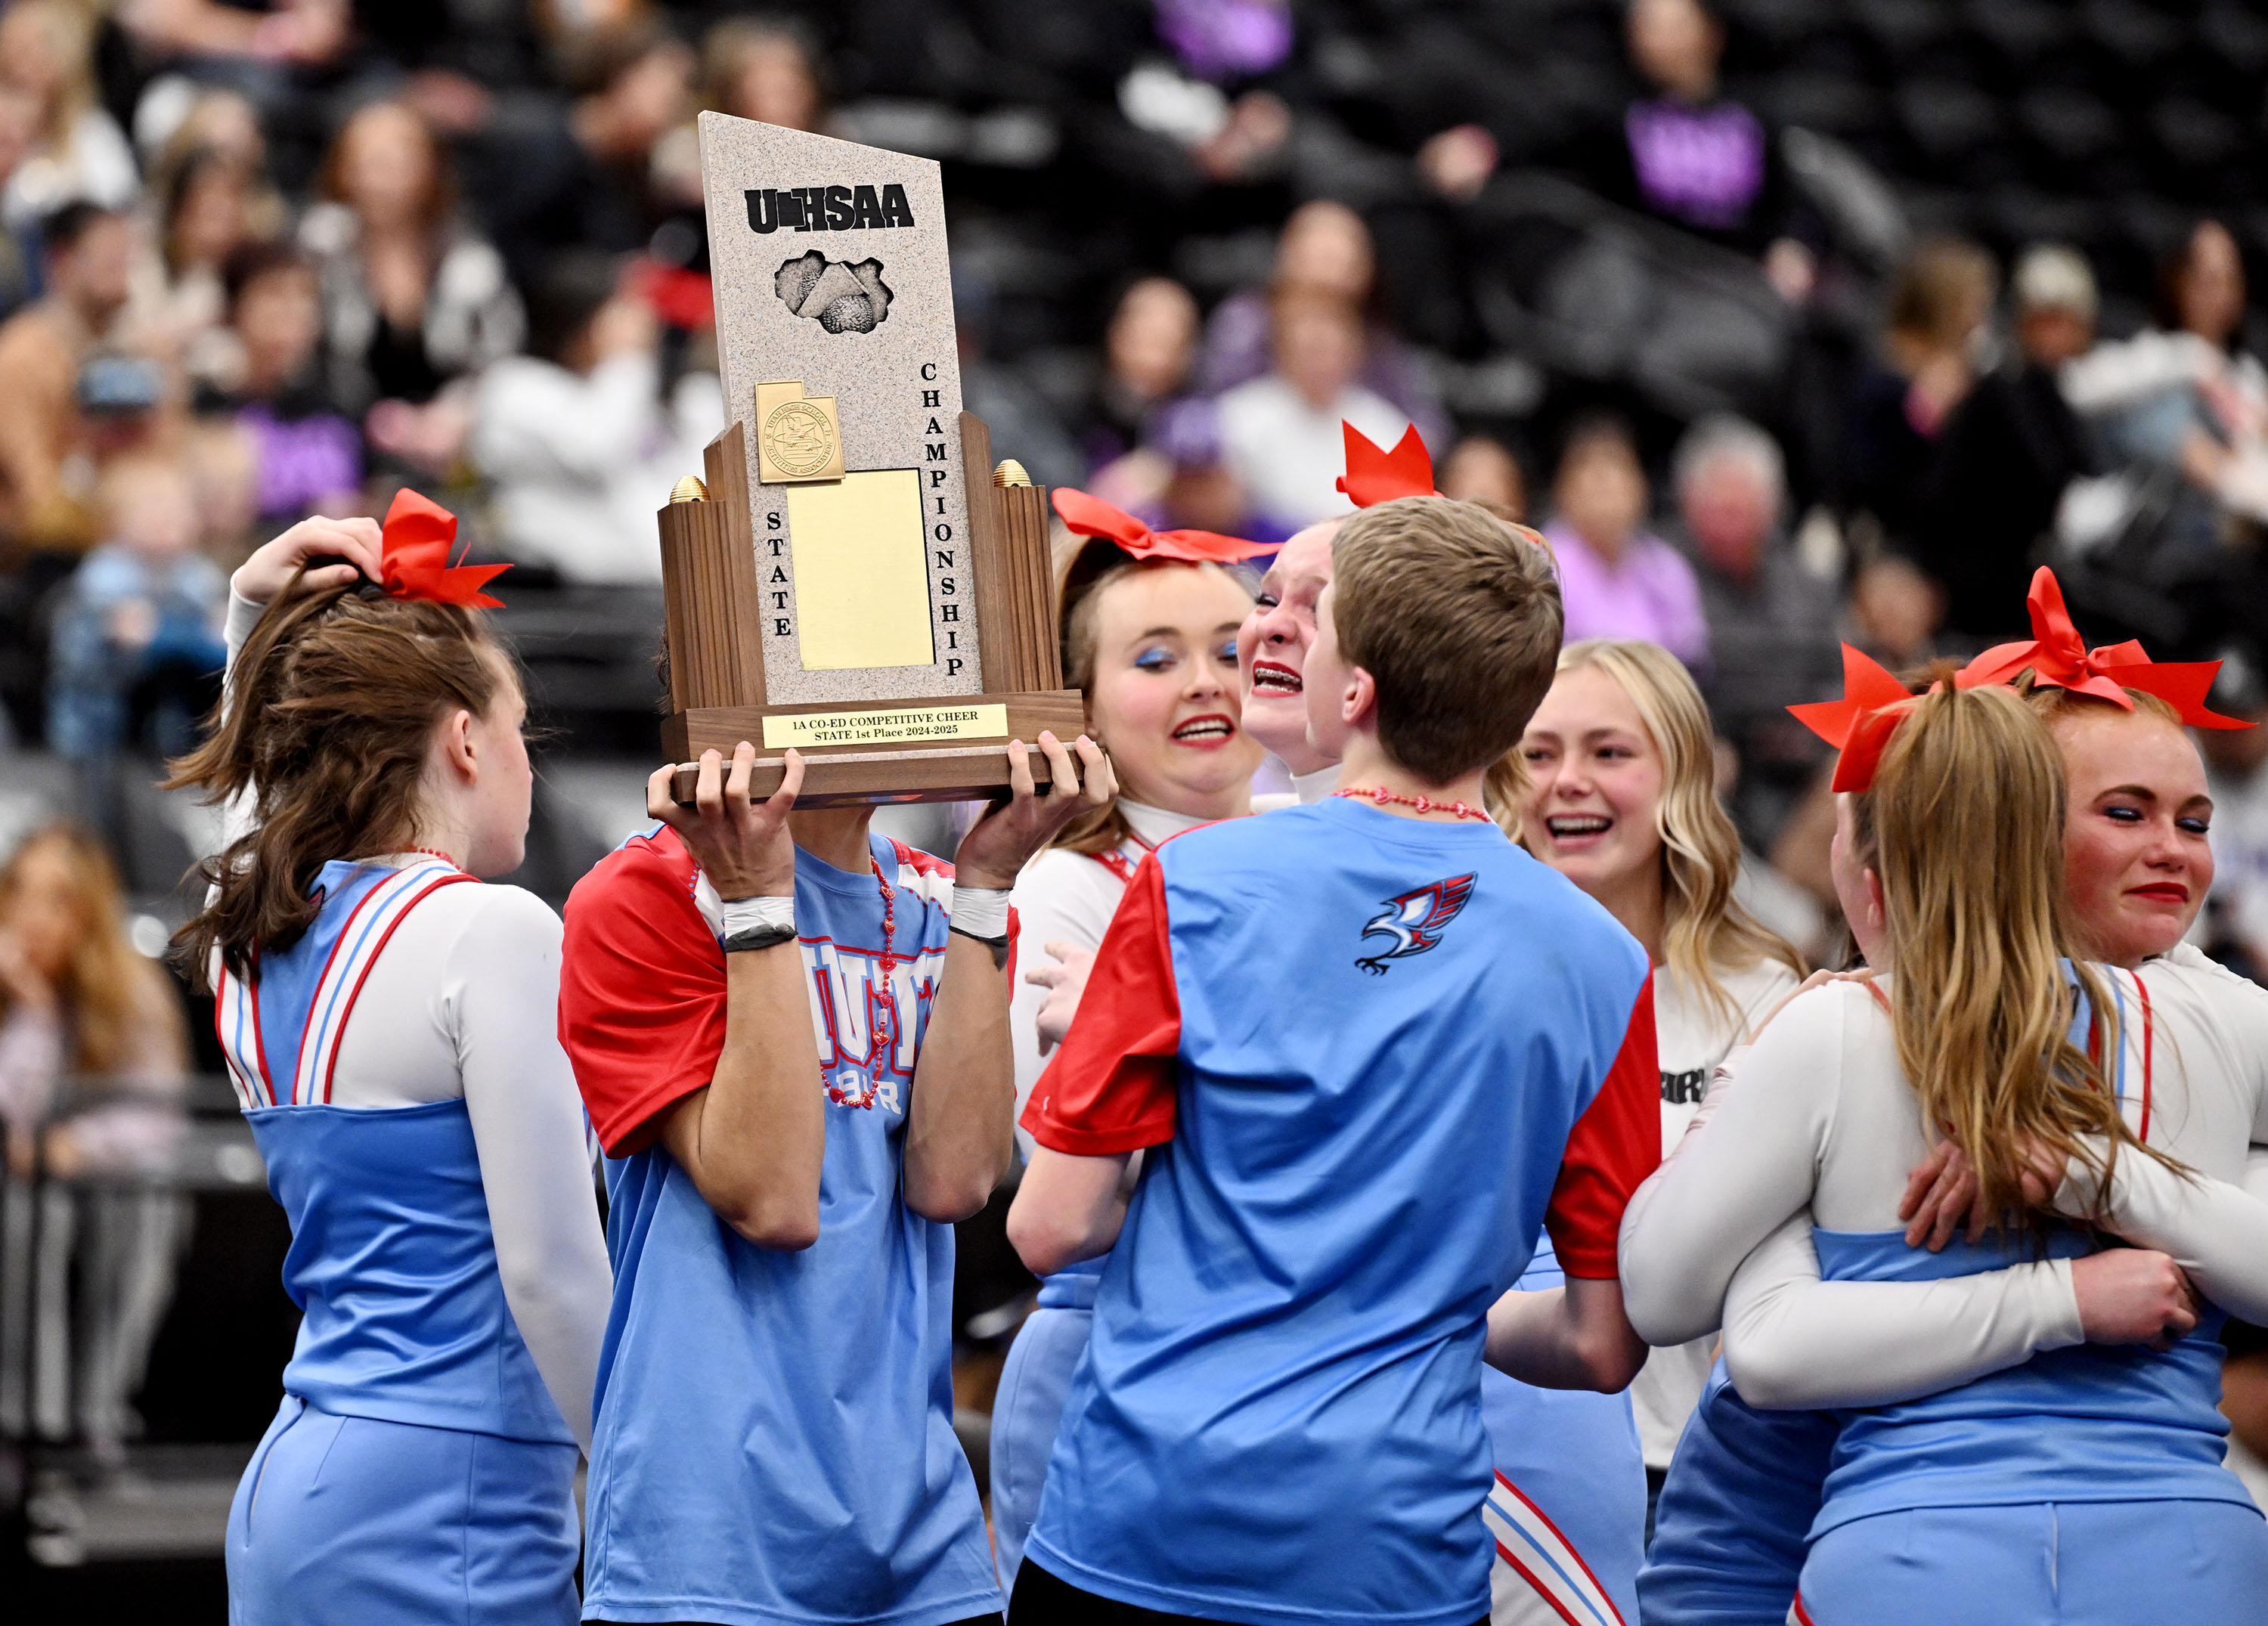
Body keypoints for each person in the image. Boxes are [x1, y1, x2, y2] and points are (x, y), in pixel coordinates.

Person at [1007, 494, 1656, 1626]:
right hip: (1390, 1554)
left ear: (1351, 692)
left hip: (1145, 1518)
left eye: (1314, 623)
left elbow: (1049, 1226)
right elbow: (1603, 1342)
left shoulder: (1194, 883)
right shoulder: (1604, 961)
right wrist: (1442, 1312)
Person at [1628, 642, 2268, 1622]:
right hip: (2184, 1548)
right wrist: (2097, 1229)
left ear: (1881, 847)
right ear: (2033, 831)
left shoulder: (1830, 1030)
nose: (2169, 849)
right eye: (2125, 810)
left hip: (1917, 1551)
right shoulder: (2222, 1018)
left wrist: (1785, 1202)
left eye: (2191, 819)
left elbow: (1663, 1291)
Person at [559, 696, 1111, 1621]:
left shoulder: (948, 898)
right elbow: (773, 1199)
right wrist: (758, 905)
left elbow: (957, 1181)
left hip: (918, 1535)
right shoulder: (639, 893)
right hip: (708, 1540)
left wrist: (988, 887)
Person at [171, 503, 614, 1625]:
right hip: (448, 1504)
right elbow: (552, 1276)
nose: (531, 759)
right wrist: (654, 1478)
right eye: (522, 726)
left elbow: (266, 798)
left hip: (300, 1485)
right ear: (465, 738)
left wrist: (250, 619)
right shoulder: (496, 931)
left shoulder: (247, 939)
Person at [1480, 639, 1802, 1616]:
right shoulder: (1459, 977)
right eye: (1539, 753)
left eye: (1609, 752)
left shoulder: (1765, 992)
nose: (1568, 781)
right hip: (1491, 1470)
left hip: (1694, 1477)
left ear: (1681, 779)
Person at [990, 490, 1269, 1593]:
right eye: (1157, 658)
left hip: (1289, 1366)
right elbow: (1065, 1180)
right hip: (1113, 1359)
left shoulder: (1315, 840)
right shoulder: (1059, 887)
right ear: (1087, 711)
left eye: (1235, 649)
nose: (1207, 680)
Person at [0, 823, 189, 1453]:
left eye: (56, 898)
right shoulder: (13, 993)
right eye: (19, 892)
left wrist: (75, 1146)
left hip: (109, 1177)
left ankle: (95, 1411)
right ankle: (32, 1417)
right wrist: (33, 1010)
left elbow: (156, 1114)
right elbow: (13, 1114)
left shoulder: (130, 987)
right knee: (31, 1210)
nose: (32, 915)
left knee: (149, 1202)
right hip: (27, 1182)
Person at [472, 250, 722, 584]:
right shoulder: (514, 387)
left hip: (662, 587)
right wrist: (626, 360)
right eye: (620, 313)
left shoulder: (668, 398)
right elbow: (597, 449)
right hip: (572, 599)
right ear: (581, 322)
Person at [1916, 244, 2098, 646]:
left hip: (2022, 571)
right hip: (1975, 584)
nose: (2056, 334)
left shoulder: (2049, 387)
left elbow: (2079, 465)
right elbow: (2046, 470)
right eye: (2043, 320)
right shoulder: (1998, 388)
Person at [299, 100, 522, 427]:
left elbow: (501, 359)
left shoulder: (470, 262)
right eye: (365, 163)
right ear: (341, 171)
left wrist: (452, 419)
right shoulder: (319, 250)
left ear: (430, 170)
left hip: (453, 436)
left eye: (395, 163)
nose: (379, 181)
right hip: (338, 427)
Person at [1672, 414, 1838, 847]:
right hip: (1713, 751)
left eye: (1742, 508)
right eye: (1719, 509)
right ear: (1689, 504)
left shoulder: (1802, 579)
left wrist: (1811, 731)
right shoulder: (1663, 575)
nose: (1731, 522)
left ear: (1771, 506)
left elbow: (1841, 669)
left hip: (1803, 757)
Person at [45, 452, 227, 759]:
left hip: (171, 706)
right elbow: (130, 637)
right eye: (153, 509)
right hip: (104, 715)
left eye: (177, 508)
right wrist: (190, 633)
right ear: (116, 521)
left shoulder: (195, 572)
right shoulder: (106, 572)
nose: (167, 519)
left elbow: (222, 629)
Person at [1218, 290, 1411, 537]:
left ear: (1354, 354)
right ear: (1282, 353)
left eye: (1331, 351)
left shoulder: (1385, 426)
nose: (1322, 363)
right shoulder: (1237, 417)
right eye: (1310, 350)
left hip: (1356, 552)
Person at [0, 200, 131, 552]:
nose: (122, 268)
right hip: (37, 561)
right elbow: (35, 499)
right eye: (108, 255)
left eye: (127, 255)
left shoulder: (132, 355)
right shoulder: (21, 355)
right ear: (61, 261)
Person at [1545, 415, 1707, 668]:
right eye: (1594, 482)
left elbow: (1691, 658)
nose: (1606, 489)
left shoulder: (1666, 567)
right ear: (1564, 490)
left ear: (1641, 488)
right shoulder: (1543, 566)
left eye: (1618, 474)